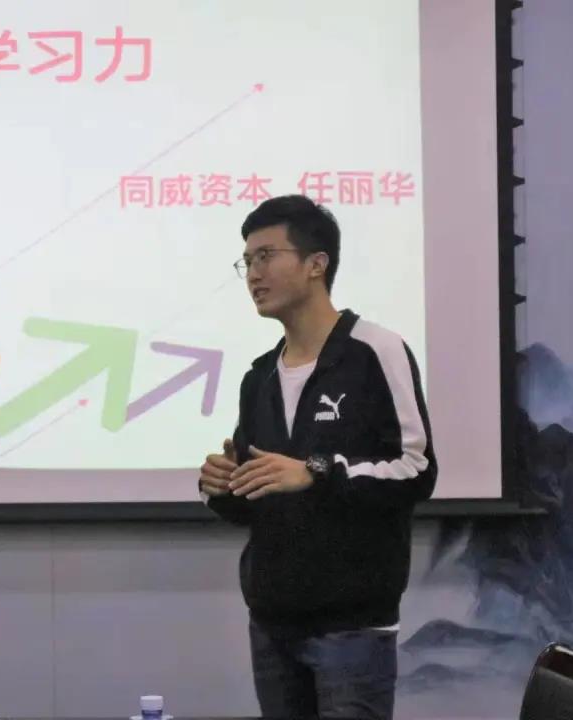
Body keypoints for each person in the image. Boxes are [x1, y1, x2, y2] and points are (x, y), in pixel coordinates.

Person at [199, 194, 437, 720]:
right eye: (247, 261)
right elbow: (257, 499)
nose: (253, 274)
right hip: (272, 624)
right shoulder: (259, 376)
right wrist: (223, 487)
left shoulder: (375, 350)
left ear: (316, 264)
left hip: (352, 628)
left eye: (266, 256)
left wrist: (317, 473)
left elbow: (417, 470)